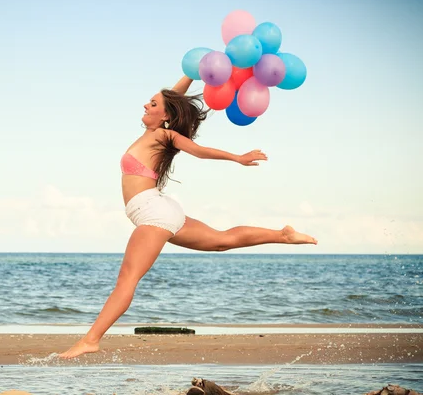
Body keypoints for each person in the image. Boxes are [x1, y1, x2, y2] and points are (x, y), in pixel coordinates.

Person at [59, 75, 317, 359]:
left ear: (166, 115)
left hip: (153, 213)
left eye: (152, 103)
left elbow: (199, 151)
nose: (146, 104)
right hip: (160, 209)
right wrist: (192, 72)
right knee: (221, 241)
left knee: (127, 280)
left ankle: (91, 339)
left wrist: (237, 157)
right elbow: (172, 97)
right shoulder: (153, 132)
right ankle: (282, 235)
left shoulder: (163, 135)